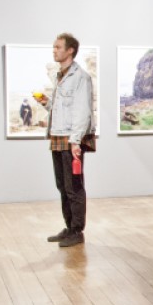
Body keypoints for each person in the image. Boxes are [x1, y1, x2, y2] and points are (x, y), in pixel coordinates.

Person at [42, 33, 94, 248]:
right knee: (62, 186)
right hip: (57, 135)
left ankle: (77, 231)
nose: (54, 50)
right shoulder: (60, 76)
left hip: (70, 138)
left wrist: (75, 142)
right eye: (54, 47)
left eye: (58, 47)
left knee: (74, 187)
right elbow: (63, 109)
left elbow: (82, 111)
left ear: (70, 50)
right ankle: (69, 227)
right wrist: (46, 103)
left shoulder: (80, 77)